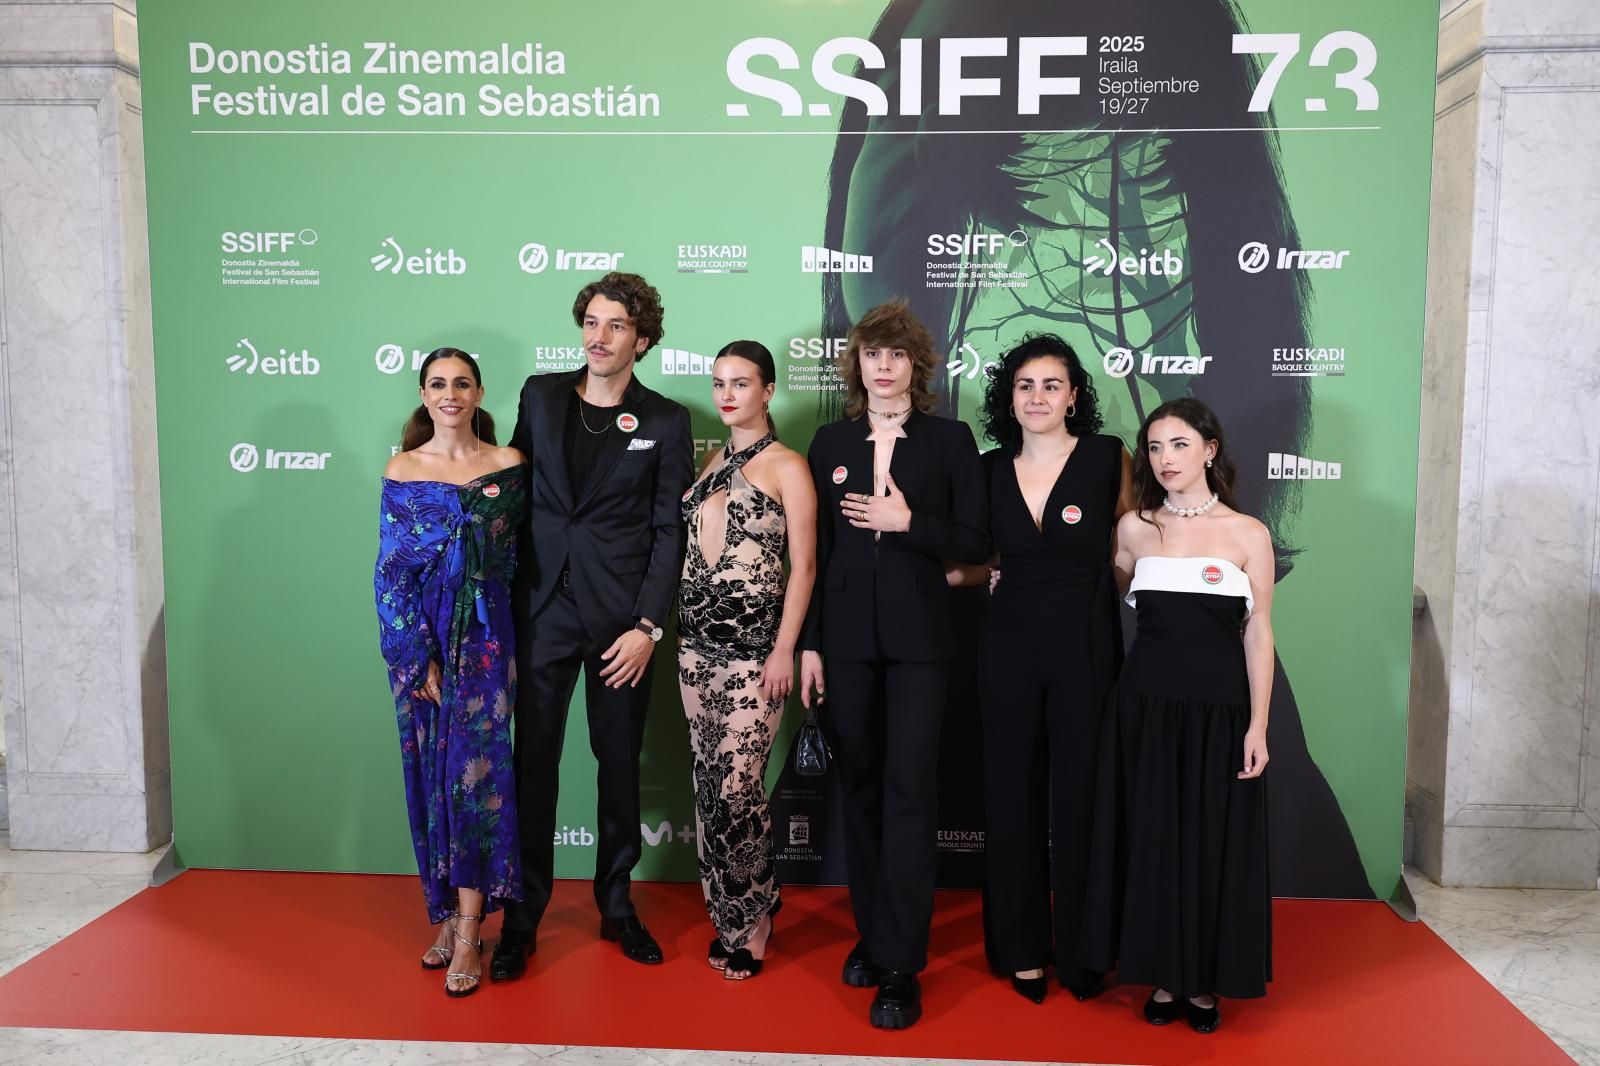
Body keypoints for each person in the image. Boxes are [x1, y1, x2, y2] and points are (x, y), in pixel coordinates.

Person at [493, 273, 694, 978]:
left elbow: (670, 530)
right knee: (532, 768)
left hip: (620, 627)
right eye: (592, 322)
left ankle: (616, 905)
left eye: (615, 326)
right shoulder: (541, 395)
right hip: (541, 613)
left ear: (641, 340)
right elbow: (512, 486)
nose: (598, 337)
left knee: (619, 770)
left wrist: (648, 626)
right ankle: (522, 917)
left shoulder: (667, 420)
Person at [798, 299, 990, 1029]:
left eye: (897, 355)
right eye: (873, 355)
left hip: (921, 648)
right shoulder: (827, 442)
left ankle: (902, 965)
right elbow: (811, 558)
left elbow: (974, 540)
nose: (884, 366)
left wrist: (909, 523)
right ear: (858, 365)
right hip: (844, 645)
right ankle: (874, 938)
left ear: (917, 367)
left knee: (910, 793)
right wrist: (811, 641)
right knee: (864, 790)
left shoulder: (949, 441)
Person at [1079, 396, 1274, 1033]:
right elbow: (1097, 596)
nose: (1165, 459)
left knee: (1212, 844)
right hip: (1144, 710)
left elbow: (1258, 632)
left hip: (1221, 714)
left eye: (1181, 445)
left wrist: (1258, 726)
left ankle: (1207, 984)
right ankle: (1163, 974)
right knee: (1154, 840)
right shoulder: (1135, 529)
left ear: (1210, 450)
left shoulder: (1249, 534)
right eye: (1156, 447)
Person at [962, 334, 1132, 1004]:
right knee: (1010, 798)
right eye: (1025, 385)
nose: (1037, 397)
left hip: (1086, 645)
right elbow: (976, 560)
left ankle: (1088, 952)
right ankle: (1022, 949)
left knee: (1085, 798)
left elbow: (1136, 538)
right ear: (1010, 396)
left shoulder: (1104, 457)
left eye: (1051, 385)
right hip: (1007, 648)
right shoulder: (985, 468)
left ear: (1074, 395)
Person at [374, 347, 526, 998]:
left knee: (477, 776)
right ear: (423, 393)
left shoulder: (510, 466)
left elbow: (521, 559)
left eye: (462, 383)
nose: (450, 394)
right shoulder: (403, 469)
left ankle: (471, 929)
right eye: (438, 384)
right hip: (423, 640)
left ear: (480, 392)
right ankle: (442, 913)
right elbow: (390, 574)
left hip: (489, 639)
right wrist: (415, 655)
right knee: (431, 776)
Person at [677, 340, 817, 982]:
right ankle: (727, 918)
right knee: (709, 788)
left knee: (740, 788)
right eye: (718, 383)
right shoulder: (709, 461)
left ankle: (756, 916)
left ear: (768, 390)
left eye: (741, 382)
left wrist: (785, 648)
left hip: (754, 654)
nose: (727, 394)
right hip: (693, 650)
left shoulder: (788, 465)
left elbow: (805, 567)